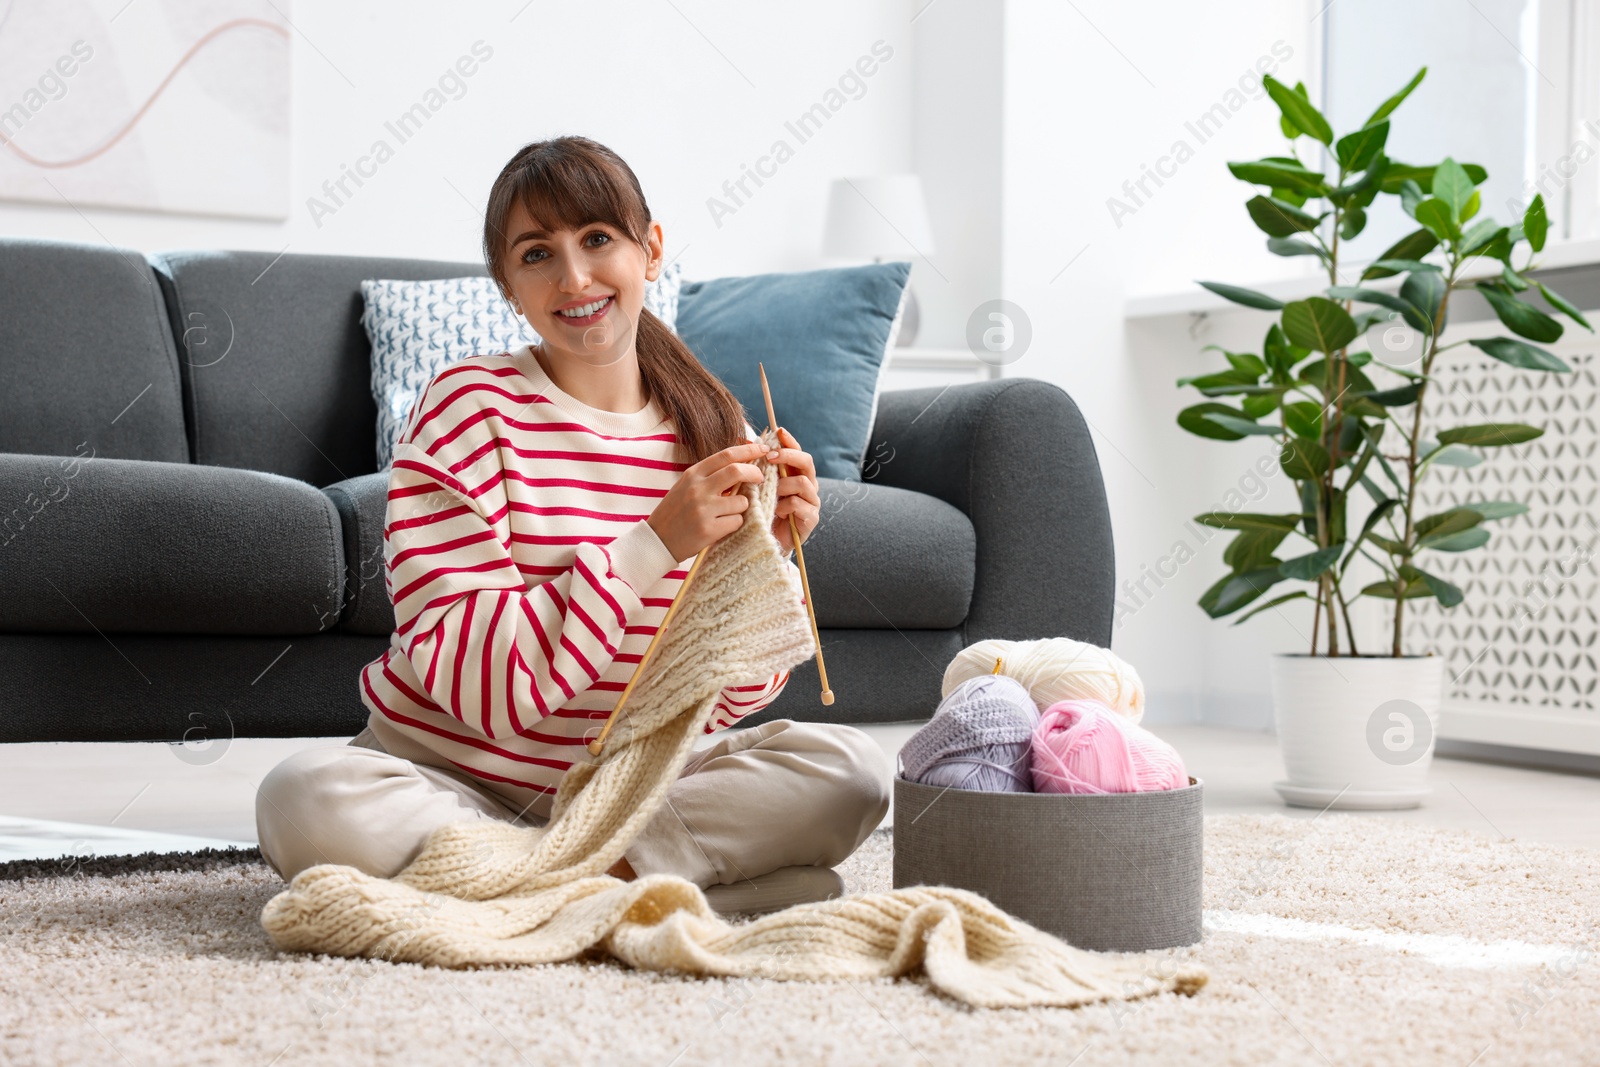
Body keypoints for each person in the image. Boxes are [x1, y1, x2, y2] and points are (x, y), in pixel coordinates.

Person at [255, 135, 891, 915]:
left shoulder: (713, 427)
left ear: (650, 250)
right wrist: (653, 545)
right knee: (305, 798)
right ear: (508, 286)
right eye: (536, 254)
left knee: (852, 771)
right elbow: (480, 690)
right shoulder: (466, 409)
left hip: (632, 788)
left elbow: (716, 702)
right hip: (452, 775)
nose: (574, 277)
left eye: (597, 239)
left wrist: (765, 569)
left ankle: (518, 883)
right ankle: (639, 885)